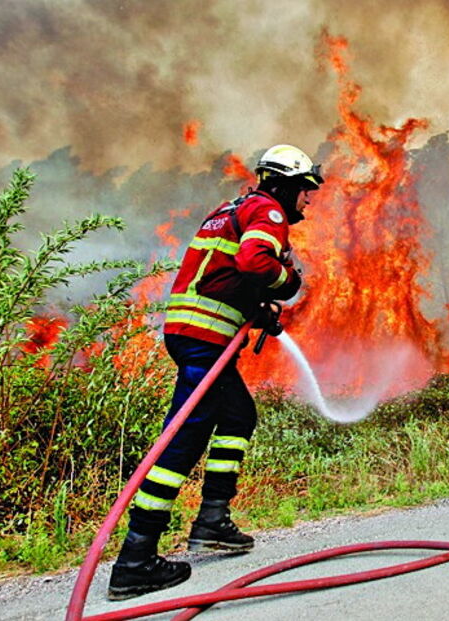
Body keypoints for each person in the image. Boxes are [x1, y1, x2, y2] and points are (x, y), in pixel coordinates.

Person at [108, 145, 324, 600]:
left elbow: (222, 275)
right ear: (283, 184)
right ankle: (135, 560)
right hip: (204, 337)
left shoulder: (230, 209)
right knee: (185, 437)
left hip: (193, 332)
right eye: (304, 190)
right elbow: (254, 263)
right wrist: (289, 280)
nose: (308, 200)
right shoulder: (267, 209)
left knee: (239, 416)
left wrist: (255, 308)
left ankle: (212, 520)